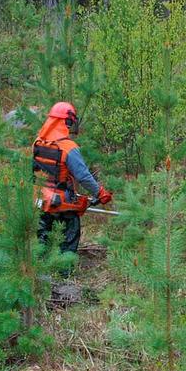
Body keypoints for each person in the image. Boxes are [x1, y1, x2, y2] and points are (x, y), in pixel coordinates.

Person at [32, 102, 113, 258]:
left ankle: (41, 267)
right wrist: (100, 192)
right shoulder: (68, 147)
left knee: (43, 236)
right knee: (70, 235)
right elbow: (83, 176)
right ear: (67, 122)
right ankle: (64, 271)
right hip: (62, 202)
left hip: (40, 197)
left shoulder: (38, 142)